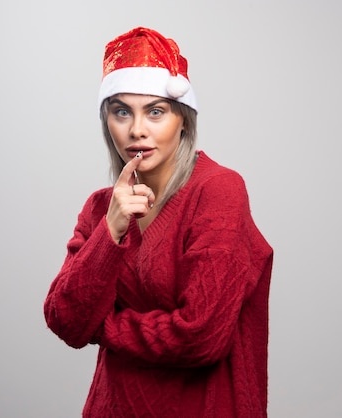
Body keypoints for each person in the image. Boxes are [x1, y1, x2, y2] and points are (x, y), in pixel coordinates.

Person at [43, 26, 273, 418]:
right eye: (121, 112)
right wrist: (110, 230)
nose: (137, 130)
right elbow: (65, 319)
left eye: (155, 111)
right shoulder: (101, 208)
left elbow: (202, 336)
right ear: (106, 122)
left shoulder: (218, 191)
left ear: (182, 119)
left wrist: (104, 328)